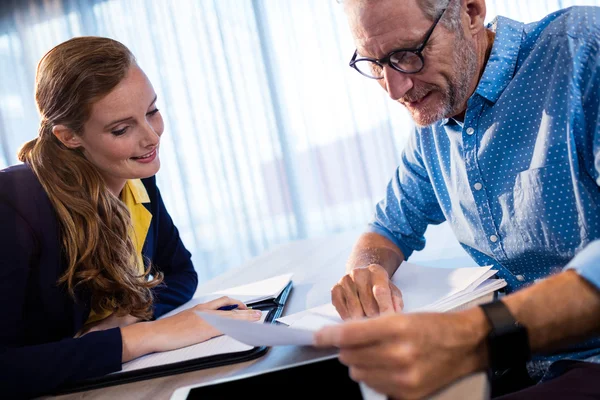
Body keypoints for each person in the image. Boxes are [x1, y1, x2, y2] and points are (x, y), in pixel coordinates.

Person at [314, 0, 600, 398]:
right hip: (524, 361)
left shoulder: (583, 47)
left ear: (470, 12)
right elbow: (387, 229)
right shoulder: (435, 117)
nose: (395, 89)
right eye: (376, 64)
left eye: (407, 55)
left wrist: (471, 334)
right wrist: (368, 273)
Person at [0, 36, 261, 399]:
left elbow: (182, 273)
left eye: (152, 111)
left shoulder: (136, 177)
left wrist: (132, 315)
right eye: (122, 129)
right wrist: (142, 336)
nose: (151, 136)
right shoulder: (13, 203)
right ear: (69, 136)